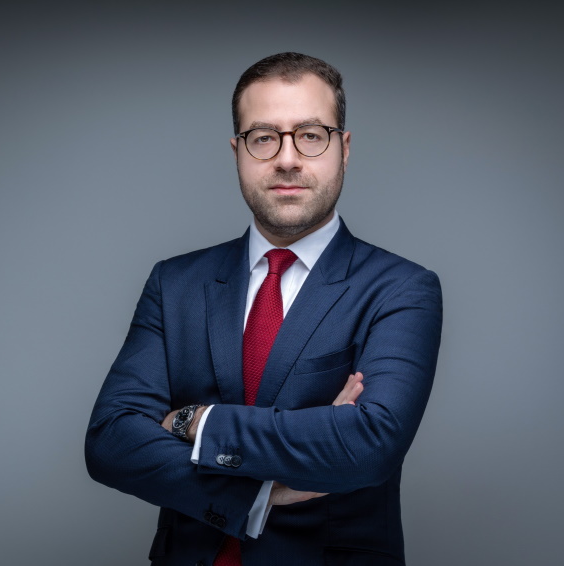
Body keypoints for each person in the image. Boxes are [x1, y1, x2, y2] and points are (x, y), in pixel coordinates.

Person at [85, 52, 442, 566]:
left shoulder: (400, 288)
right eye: (263, 137)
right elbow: (111, 439)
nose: (287, 159)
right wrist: (257, 493)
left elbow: (370, 443)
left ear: (344, 149)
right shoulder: (175, 283)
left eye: (311, 135)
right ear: (238, 152)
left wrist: (195, 421)